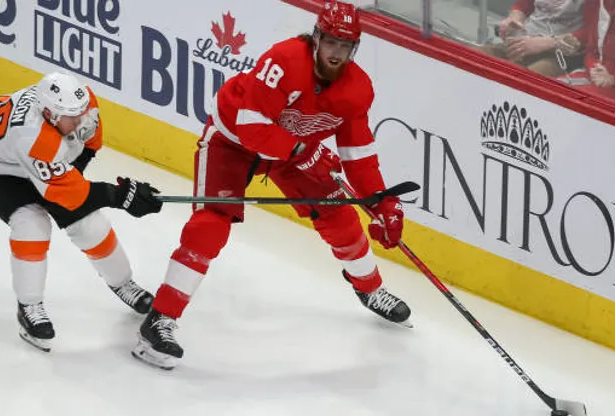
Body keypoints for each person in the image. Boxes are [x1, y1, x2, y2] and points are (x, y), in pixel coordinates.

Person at [132, 1, 410, 370]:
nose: (337, 54)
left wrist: (383, 204)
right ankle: (159, 321)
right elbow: (251, 129)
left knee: (340, 219)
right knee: (210, 227)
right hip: (231, 141)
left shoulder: (357, 89)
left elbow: (359, 156)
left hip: (292, 151)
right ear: (317, 38)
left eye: (346, 46)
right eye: (331, 43)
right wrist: (303, 153)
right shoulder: (283, 62)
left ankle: (371, 289)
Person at [0, 72, 163, 352]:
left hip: (32, 159)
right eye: (72, 117)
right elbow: (71, 192)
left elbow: (89, 142)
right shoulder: (32, 138)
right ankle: (29, 306)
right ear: (48, 113)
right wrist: (119, 196)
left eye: (81, 111)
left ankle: (123, 283)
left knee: (88, 224)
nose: (81, 119)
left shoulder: (81, 103)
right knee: (32, 225)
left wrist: (75, 175)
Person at [561, 0, 615, 109]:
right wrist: (594, 68)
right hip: (598, 80)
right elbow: (592, 50)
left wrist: (614, 79)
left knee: (569, 101)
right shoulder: (601, 4)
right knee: (553, 88)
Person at [480, 0, 586, 77]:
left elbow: (592, 36)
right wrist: (514, 19)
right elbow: (523, 5)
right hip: (525, 41)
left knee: (522, 78)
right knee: (477, 56)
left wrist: (545, 43)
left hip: (561, 55)